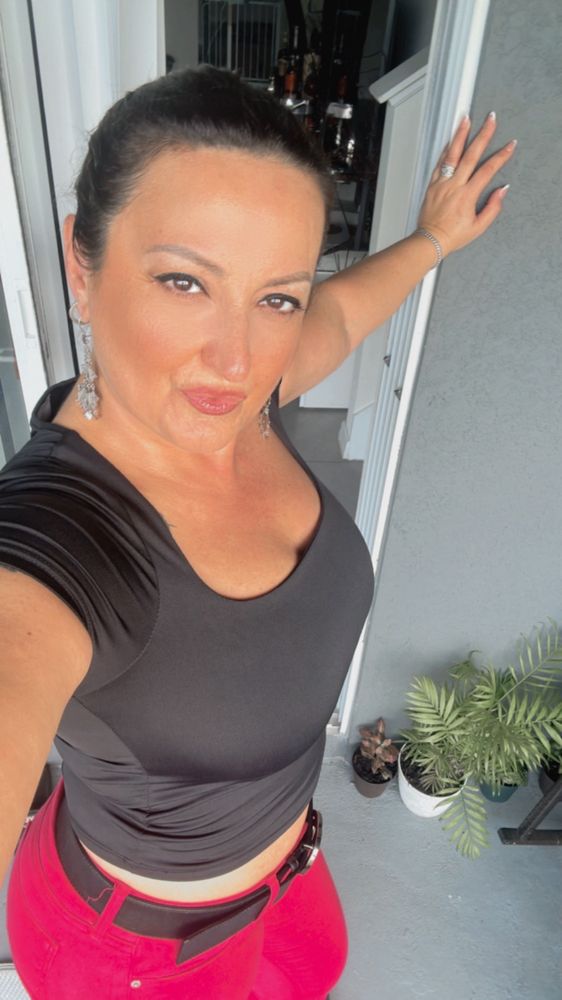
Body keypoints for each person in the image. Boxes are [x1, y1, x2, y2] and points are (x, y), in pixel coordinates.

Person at [0, 66, 514, 999]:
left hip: (290, 873)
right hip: (134, 958)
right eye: (184, 281)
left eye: (275, 296)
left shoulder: (245, 401)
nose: (236, 358)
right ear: (83, 262)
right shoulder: (51, 539)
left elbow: (341, 312)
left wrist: (434, 237)